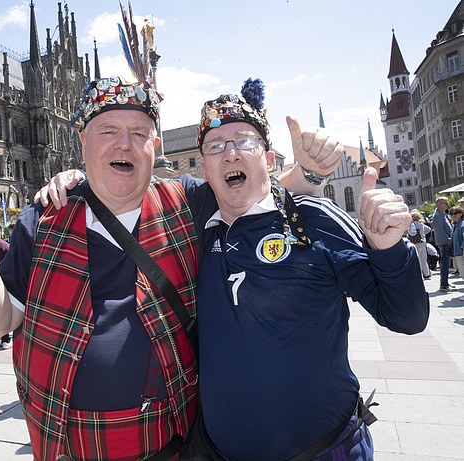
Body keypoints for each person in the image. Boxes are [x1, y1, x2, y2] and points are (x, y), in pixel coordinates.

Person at [0, 71, 339, 459]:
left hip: (171, 446)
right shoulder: (43, 217)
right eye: (108, 131)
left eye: (139, 133)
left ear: (154, 146)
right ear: (82, 142)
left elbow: (251, 191)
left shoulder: (186, 202)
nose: (124, 144)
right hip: (68, 448)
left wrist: (309, 171)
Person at [180, 83, 429, 460]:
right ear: (203, 169)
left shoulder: (312, 219)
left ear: (268, 157)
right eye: (216, 146)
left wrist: (390, 247)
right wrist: (71, 182)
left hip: (324, 451)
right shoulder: (196, 224)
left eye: (244, 141)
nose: (230, 153)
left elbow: (407, 317)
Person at [433, 196, 454, 292]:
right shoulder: (437, 215)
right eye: (445, 203)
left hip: (445, 242)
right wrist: (449, 240)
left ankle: (445, 283)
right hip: (444, 243)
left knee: (445, 264)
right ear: (439, 204)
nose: (447, 205)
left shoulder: (441, 214)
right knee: (445, 264)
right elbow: (440, 232)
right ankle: (444, 285)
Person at [407, 210, 432, 279]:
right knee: (424, 259)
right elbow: (429, 229)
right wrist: (423, 235)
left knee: (418, 260)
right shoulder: (421, 224)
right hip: (423, 243)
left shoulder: (412, 224)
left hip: (416, 243)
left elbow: (413, 233)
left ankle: (420, 274)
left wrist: (408, 231)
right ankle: (427, 273)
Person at [450, 206, 464, 300]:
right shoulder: (456, 224)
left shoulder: (462, 224)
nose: (453, 216)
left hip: (461, 252)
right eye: (451, 214)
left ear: (461, 213)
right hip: (458, 252)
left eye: (455, 213)